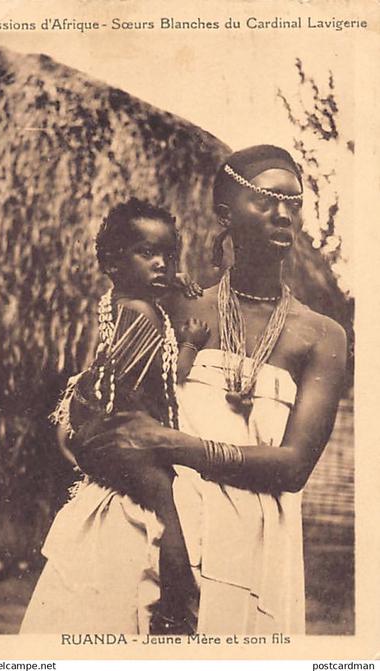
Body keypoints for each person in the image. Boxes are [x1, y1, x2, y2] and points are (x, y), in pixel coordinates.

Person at [78, 145, 347, 634]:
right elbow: (104, 409)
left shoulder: (322, 335)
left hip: (255, 545)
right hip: (153, 531)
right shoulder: (177, 308)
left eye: (293, 202)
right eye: (265, 201)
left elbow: (293, 466)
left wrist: (170, 443)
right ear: (226, 214)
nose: (283, 214)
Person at [20, 198, 208, 635]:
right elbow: (167, 382)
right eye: (148, 254)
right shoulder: (142, 315)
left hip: (116, 435)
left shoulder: (119, 304)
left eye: (169, 255)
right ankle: (177, 605)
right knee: (171, 517)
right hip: (135, 442)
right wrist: (191, 345)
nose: (162, 264)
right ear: (112, 261)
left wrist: (170, 284)